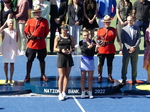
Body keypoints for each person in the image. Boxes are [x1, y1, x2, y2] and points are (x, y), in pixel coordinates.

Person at [24, 5, 49, 82]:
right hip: (32, 43)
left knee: (42, 59)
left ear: (40, 12)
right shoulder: (30, 21)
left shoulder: (44, 21)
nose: (37, 13)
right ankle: (27, 75)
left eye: (38, 12)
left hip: (41, 43)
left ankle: (43, 74)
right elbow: (26, 31)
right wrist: (29, 36)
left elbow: (47, 32)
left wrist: (41, 37)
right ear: (34, 13)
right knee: (30, 59)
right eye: (35, 12)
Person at [53, 23, 74, 101]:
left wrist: (71, 50)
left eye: (66, 30)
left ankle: (64, 92)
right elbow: (54, 48)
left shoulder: (71, 37)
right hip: (61, 57)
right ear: (61, 30)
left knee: (67, 76)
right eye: (63, 30)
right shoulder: (58, 38)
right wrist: (61, 50)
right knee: (61, 76)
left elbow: (73, 47)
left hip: (68, 57)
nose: (65, 31)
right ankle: (60, 93)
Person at [96, 15, 116, 83]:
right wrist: (100, 44)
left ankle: (109, 76)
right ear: (104, 22)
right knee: (100, 64)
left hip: (110, 48)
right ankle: (99, 75)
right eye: (106, 22)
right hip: (102, 49)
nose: (107, 23)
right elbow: (97, 39)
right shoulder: (100, 30)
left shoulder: (113, 30)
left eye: (108, 22)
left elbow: (113, 39)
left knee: (110, 63)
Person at [121, 16, 141, 85]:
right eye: (128, 20)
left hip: (135, 51)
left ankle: (134, 80)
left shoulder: (137, 28)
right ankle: (123, 79)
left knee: (134, 66)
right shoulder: (123, 29)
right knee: (125, 66)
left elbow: (139, 38)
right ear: (127, 21)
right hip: (126, 51)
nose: (129, 21)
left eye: (131, 20)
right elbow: (123, 40)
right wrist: (129, 48)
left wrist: (134, 47)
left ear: (133, 20)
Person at [0, 19, 18, 86]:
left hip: (12, 49)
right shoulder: (4, 31)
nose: (11, 24)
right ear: (7, 24)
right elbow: (2, 40)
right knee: (6, 64)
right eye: (10, 23)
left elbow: (16, 41)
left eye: (12, 23)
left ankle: (11, 79)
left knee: (12, 64)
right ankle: (6, 78)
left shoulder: (16, 31)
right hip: (5, 50)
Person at [79, 28, 96, 99]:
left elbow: (94, 52)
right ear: (82, 36)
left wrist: (96, 48)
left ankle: (90, 92)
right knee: (83, 77)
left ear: (89, 35)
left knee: (90, 78)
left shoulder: (93, 41)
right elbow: (84, 50)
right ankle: (83, 92)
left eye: (87, 35)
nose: (86, 36)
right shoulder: (81, 42)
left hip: (91, 60)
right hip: (84, 61)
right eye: (84, 35)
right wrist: (90, 46)